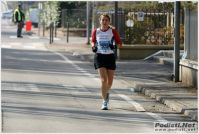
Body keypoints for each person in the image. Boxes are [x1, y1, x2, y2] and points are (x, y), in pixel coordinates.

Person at [91, 14, 122, 110]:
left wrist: (115, 46)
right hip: (99, 56)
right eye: (103, 20)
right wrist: (93, 46)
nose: (104, 22)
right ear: (100, 21)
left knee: (110, 82)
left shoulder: (113, 31)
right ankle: (104, 102)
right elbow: (92, 41)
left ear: (109, 21)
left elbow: (120, 44)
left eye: (106, 20)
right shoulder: (96, 31)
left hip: (110, 57)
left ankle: (106, 92)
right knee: (103, 80)